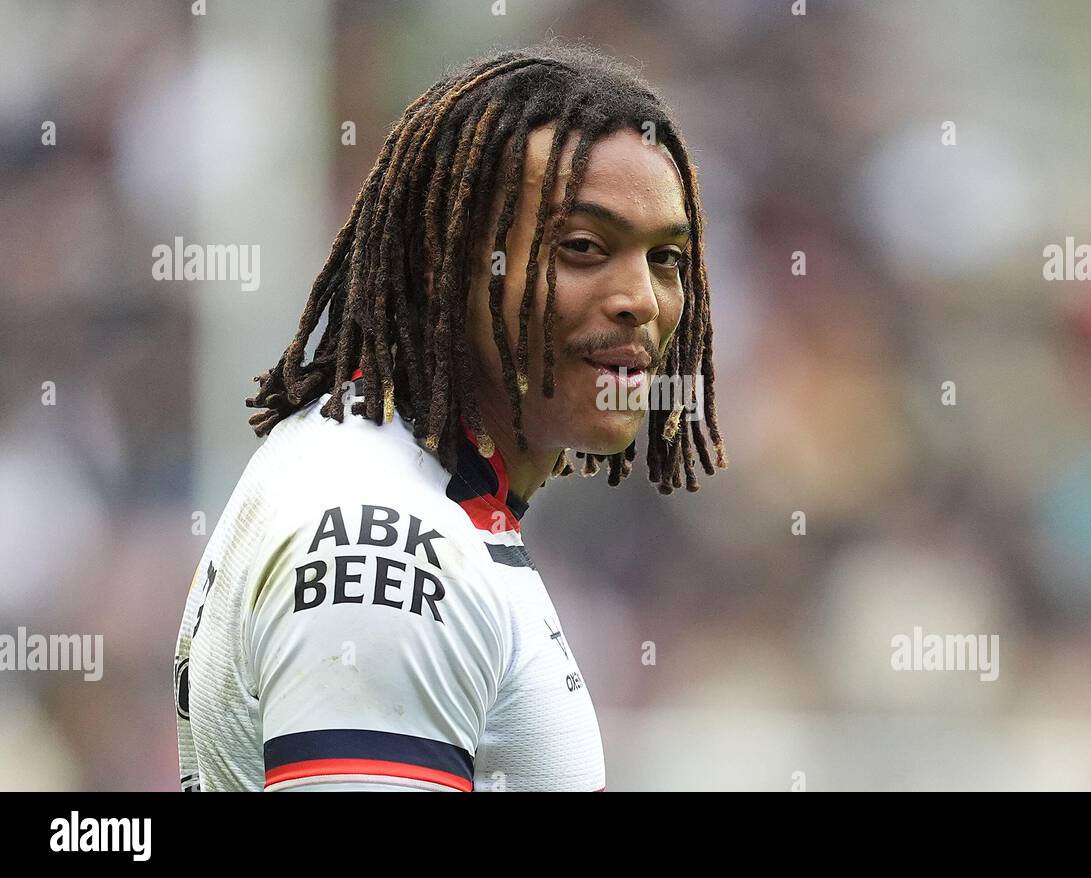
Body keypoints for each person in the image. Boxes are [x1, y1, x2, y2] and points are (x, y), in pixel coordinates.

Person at [173, 42, 724, 792]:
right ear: (447, 262)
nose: (643, 300)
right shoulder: (387, 547)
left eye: (666, 259)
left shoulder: (410, 479)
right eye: (585, 247)